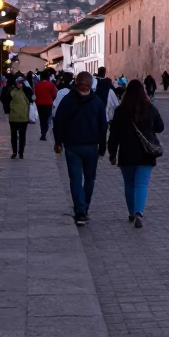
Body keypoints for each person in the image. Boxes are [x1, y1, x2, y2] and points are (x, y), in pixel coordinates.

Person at [53, 71, 108, 226]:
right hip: (81, 147)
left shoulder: (68, 100)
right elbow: (103, 127)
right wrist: (103, 146)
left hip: (77, 146)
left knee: (79, 179)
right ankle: (82, 209)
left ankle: (81, 209)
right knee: (86, 178)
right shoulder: (96, 102)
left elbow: (58, 122)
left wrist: (58, 141)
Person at [108, 77, 164, 227]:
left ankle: (132, 213)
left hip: (126, 153)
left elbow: (114, 134)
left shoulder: (120, 111)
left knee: (129, 184)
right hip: (146, 153)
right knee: (141, 184)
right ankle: (139, 212)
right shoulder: (150, 108)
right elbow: (160, 127)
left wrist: (112, 152)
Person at [2, 74, 33, 159]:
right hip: (16, 117)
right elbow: (5, 100)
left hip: (20, 117)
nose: (20, 84)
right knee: (17, 136)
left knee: (19, 136)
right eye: (19, 82)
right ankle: (17, 152)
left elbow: (33, 98)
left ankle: (19, 152)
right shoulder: (13, 91)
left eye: (21, 83)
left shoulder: (25, 91)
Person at [34, 70, 58, 140]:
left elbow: (35, 94)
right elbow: (54, 94)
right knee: (47, 119)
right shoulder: (50, 84)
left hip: (40, 104)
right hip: (48, 104)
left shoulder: (37, 84)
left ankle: (43, 133)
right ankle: (44, 132)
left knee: (42, 119)